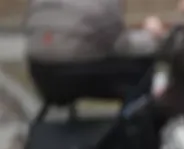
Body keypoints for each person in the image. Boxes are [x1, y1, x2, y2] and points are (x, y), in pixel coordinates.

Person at [24, 0, 163, 104]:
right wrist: (150, 35)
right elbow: (121, 44)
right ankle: (135, 122)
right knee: (143, 65)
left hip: (42, 76)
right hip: (82, 75)